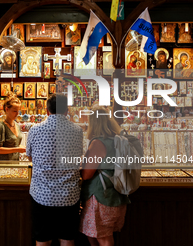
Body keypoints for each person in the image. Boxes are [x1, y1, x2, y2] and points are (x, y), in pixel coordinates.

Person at [26, 93, 83, 246]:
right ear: (67, 111)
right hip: (68, 196)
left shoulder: (35, 130)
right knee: (67, 239)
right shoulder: (77, 131)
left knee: (43, 240)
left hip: (42, 195)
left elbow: (30, 157)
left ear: (47, 110)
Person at [80, 106, 130, 246]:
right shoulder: (119, 139)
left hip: (101, 197)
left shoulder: (97, 143)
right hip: (118, 194)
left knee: (103, 237)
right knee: (98, 235)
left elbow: (86, 174)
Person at [0, 93, 25, 160]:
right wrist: (17, 149)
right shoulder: (1, 126)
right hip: (4, 164)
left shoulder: (17, 125)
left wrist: (24, 148)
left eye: (18, 111)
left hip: (15, 163)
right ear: (7, 109)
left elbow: (15, 145)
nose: (17, 114)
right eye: (15, 111)